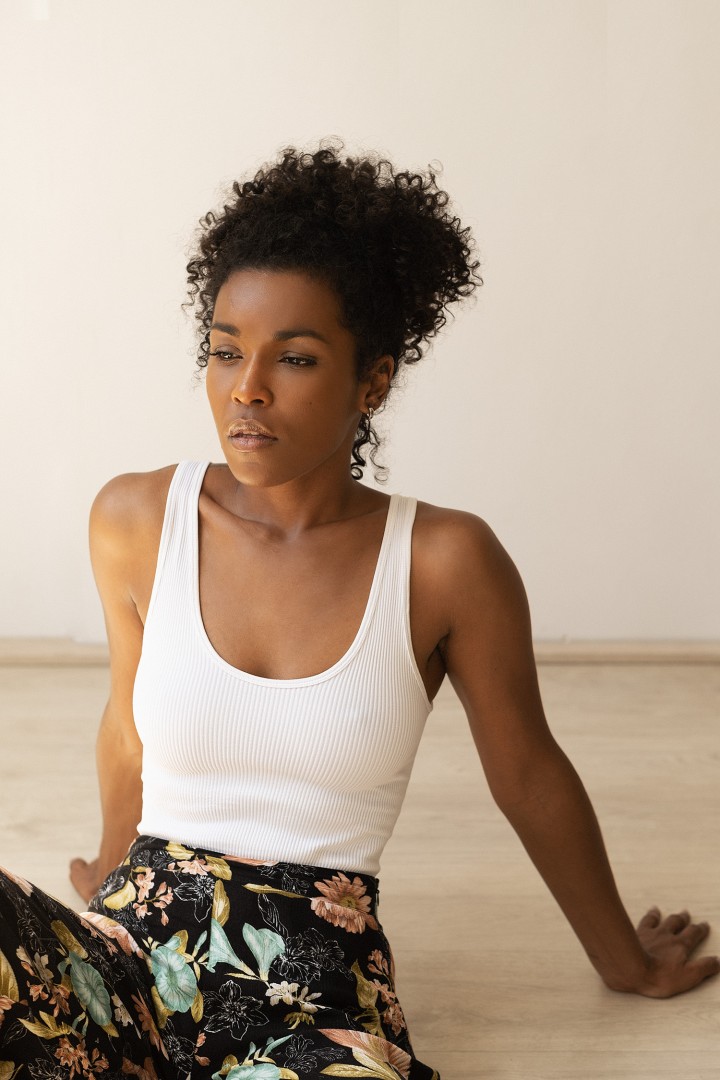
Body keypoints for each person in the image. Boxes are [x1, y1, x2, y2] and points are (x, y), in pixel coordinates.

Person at [1, 138, 717, 1080]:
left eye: (294, 358)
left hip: (313, 998)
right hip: (131, 955)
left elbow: (528, 774)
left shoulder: (445, 561)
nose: (246, 388)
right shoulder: (136, 518)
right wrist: (109, 878)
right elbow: (128, 728)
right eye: (224, 351)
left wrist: (626, 962)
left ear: (372, 381)